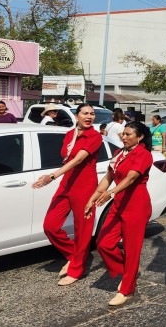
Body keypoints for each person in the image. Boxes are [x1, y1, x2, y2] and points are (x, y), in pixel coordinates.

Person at [32, 104, 103, 286]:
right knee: (50, 225)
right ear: (76, 116)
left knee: (82, 230)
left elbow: (79, 158)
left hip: (85, 185)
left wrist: (52, 176)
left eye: (92, 114)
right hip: (67, 183)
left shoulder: (95, 136)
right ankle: (75, 256)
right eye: (85, 113)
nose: (89, 117)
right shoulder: (69, 135)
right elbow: (67, 157)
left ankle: (77, 269)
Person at [85, 120, 154, 305]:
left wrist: (111, 193)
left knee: (132, 249)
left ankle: (127, 289)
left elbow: (132, 178)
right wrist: (93, 197)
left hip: (136, 206)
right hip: (118, 204)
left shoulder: (144, 154)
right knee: (103, 242)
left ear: (139, 138)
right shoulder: (119, 153)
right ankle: (128, 272)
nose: (123, 137)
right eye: (123, 133)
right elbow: (108, 178)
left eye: (128, 134)